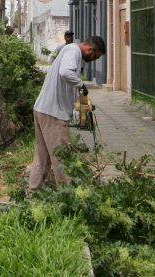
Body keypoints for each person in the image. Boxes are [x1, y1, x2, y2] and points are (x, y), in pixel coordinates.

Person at [28, 35, 106, 194]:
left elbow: (68, 83)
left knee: (42, 157)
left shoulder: (72, 54)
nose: (93, 60)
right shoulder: (73, 51)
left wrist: (82, 102)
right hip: (53, 114)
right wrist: (82, 85)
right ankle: (67, 196)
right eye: (95, 56)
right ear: (90, 49)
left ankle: (32, 193)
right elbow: (65, 72)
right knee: (62, 159)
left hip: (43, 109)